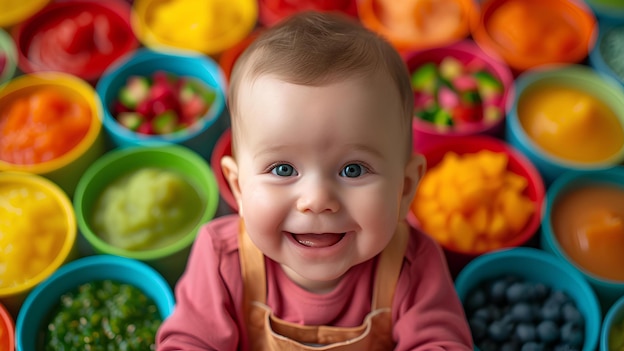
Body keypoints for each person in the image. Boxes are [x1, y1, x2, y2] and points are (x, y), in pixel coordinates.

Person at [156, 11, 473, 351]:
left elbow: (442, 343)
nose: (317, 198)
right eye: (282, 169)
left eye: (353, 169)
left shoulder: (414, 263)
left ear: (405, 188)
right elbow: (186, 342)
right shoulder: (221, 257)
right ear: (238, 187)